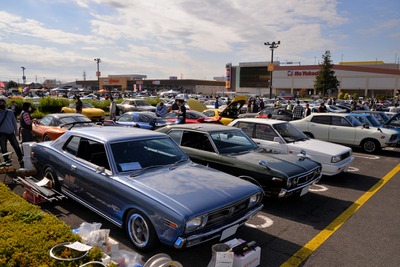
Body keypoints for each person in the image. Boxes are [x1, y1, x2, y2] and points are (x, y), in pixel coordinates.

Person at [0, 98, 23, 164]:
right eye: (0, 103)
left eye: (2, 103)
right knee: (3, 147)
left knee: (16, 145)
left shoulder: (10, 112)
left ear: (5, 103)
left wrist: (16, 130)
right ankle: (6, 159)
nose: (1, 104)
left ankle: (20, 158)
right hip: (2, 133)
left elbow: (14, 122)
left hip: (11, 132)